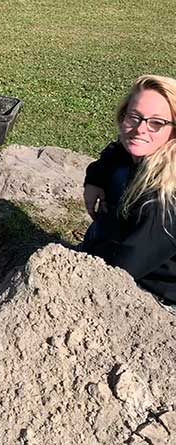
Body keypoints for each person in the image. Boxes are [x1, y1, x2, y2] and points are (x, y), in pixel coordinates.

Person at [82, 74, 176, 304]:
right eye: (134, 117)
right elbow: (117, 151)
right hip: (109, 253)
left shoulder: (163, 200)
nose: (140, 129)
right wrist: (95, 177)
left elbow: (122, 271)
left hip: (152, 296)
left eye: (157, 122)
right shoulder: (142, 155)